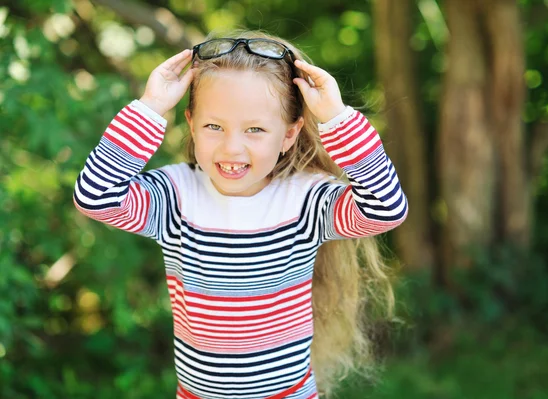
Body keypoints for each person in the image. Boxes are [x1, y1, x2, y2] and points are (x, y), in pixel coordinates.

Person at [73, 30, 408, 399]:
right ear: (191, 125)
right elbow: (95, 198)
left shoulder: (304, 200)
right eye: (214, 126)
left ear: (289, 135)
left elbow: (385, 210)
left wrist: (337, 120)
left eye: (256, 130)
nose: (232, 148)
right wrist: (149, 108)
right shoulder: (176, 195)